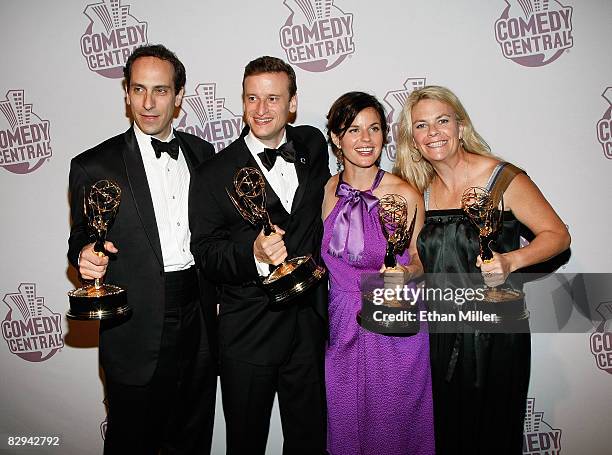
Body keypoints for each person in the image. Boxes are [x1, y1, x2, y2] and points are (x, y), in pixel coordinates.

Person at [394, 85, 571, 454]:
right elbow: (424, 261)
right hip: (440, 332)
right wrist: (406, 273)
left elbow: (557, 235)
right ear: (414, 139)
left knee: (492, 434)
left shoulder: (502, 179)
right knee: (446, 435)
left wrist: (512, 260)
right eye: (422, 125)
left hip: (495, 333)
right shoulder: (421, 190)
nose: (434, 133)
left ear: (460, 126)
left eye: (442, 121)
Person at [67, 44, 217, 454]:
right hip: (135, 321)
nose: (148, 103)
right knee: (132, 439)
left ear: (180, 95)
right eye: (138, 90)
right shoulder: (94, 164)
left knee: (192, 434)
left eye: (161, 91)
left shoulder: (204, 156)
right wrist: (84, 255)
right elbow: (80, 235)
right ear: (127, 94)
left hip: (200, 315)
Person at [189, 56, 330, 455]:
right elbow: (205, 252)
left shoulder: (313, 146)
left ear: (293, 103)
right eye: (252, 98)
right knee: (245, 442)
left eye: (273, 98)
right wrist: (251, 254)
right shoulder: (213, 173)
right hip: (249, 330)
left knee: (310, 442)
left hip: (309, 326)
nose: (262, 109)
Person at [322, 91, 435, 455]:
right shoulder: (326, 190)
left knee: (395, 427)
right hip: (341, 327)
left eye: (374, 128)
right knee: (344, 427)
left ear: (385, 135)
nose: (365, 139)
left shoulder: (404, 192)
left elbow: (420, 260)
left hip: (393, 326)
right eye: (353, 130)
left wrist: (406, 274)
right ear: (337, 139)